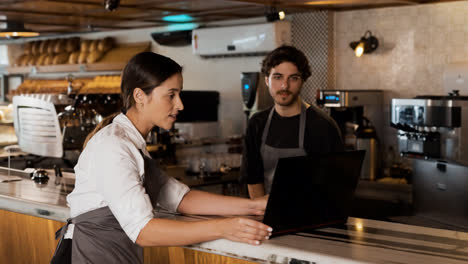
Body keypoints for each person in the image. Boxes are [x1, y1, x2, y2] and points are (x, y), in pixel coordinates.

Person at [51, 52, 271, 264]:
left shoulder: (133, 144)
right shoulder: (113, 146)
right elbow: (143, 231)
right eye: (171, 95)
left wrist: (253, 207)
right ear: (140, 96)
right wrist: (224, 228)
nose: (180, 105)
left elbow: (179, 199)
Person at [240, 45, 344, 199]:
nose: (285, 86)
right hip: (265, 215)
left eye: (293, 78)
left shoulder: (322, 126)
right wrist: (262, 216)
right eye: (278, 77)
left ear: (303, 81)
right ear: (267, 80)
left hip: (311, 217)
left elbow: (333, 186)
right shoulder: (257, 123)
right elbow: (253, 178)